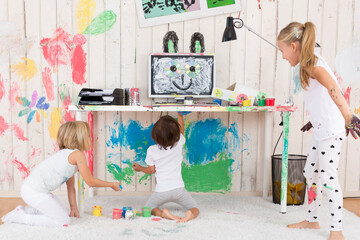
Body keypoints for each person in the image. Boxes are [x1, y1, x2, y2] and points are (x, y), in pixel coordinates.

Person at [277, 22, 360, 240]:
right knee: (310, 173)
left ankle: (337, 230)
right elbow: (322, 98)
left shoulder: (312, 66)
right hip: (321, 129)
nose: (283, 56)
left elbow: (334, 90)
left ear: (293, 46)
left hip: (331, 132)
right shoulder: (307, 64)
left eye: (282, 50)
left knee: (328, 179)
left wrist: (348, 116)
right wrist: (314, 120)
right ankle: (312, 221)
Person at [1, 121, 121, 227]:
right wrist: (111, 184)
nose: (91, 138)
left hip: (34, 190)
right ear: (79, 138)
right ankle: (20, 218)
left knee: (63, 212)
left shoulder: (68, 156)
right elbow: (89, 181)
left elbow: (70, 187)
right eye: (88, 136)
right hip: (33, 192)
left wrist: (73, 208)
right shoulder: (77, 155)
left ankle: (23, 211)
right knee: (63, 221)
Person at [132, 113, 199, 223]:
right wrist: (180, 116)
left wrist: (140, 168)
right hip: (179, 190)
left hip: (161, 192)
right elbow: (181, 132)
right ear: (176, 135)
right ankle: (189, 215)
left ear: (155, 136)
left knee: (148, 209)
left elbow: (151, 170)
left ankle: (163, 214)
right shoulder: (179, 143)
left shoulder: (152, 150)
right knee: (196, 209)